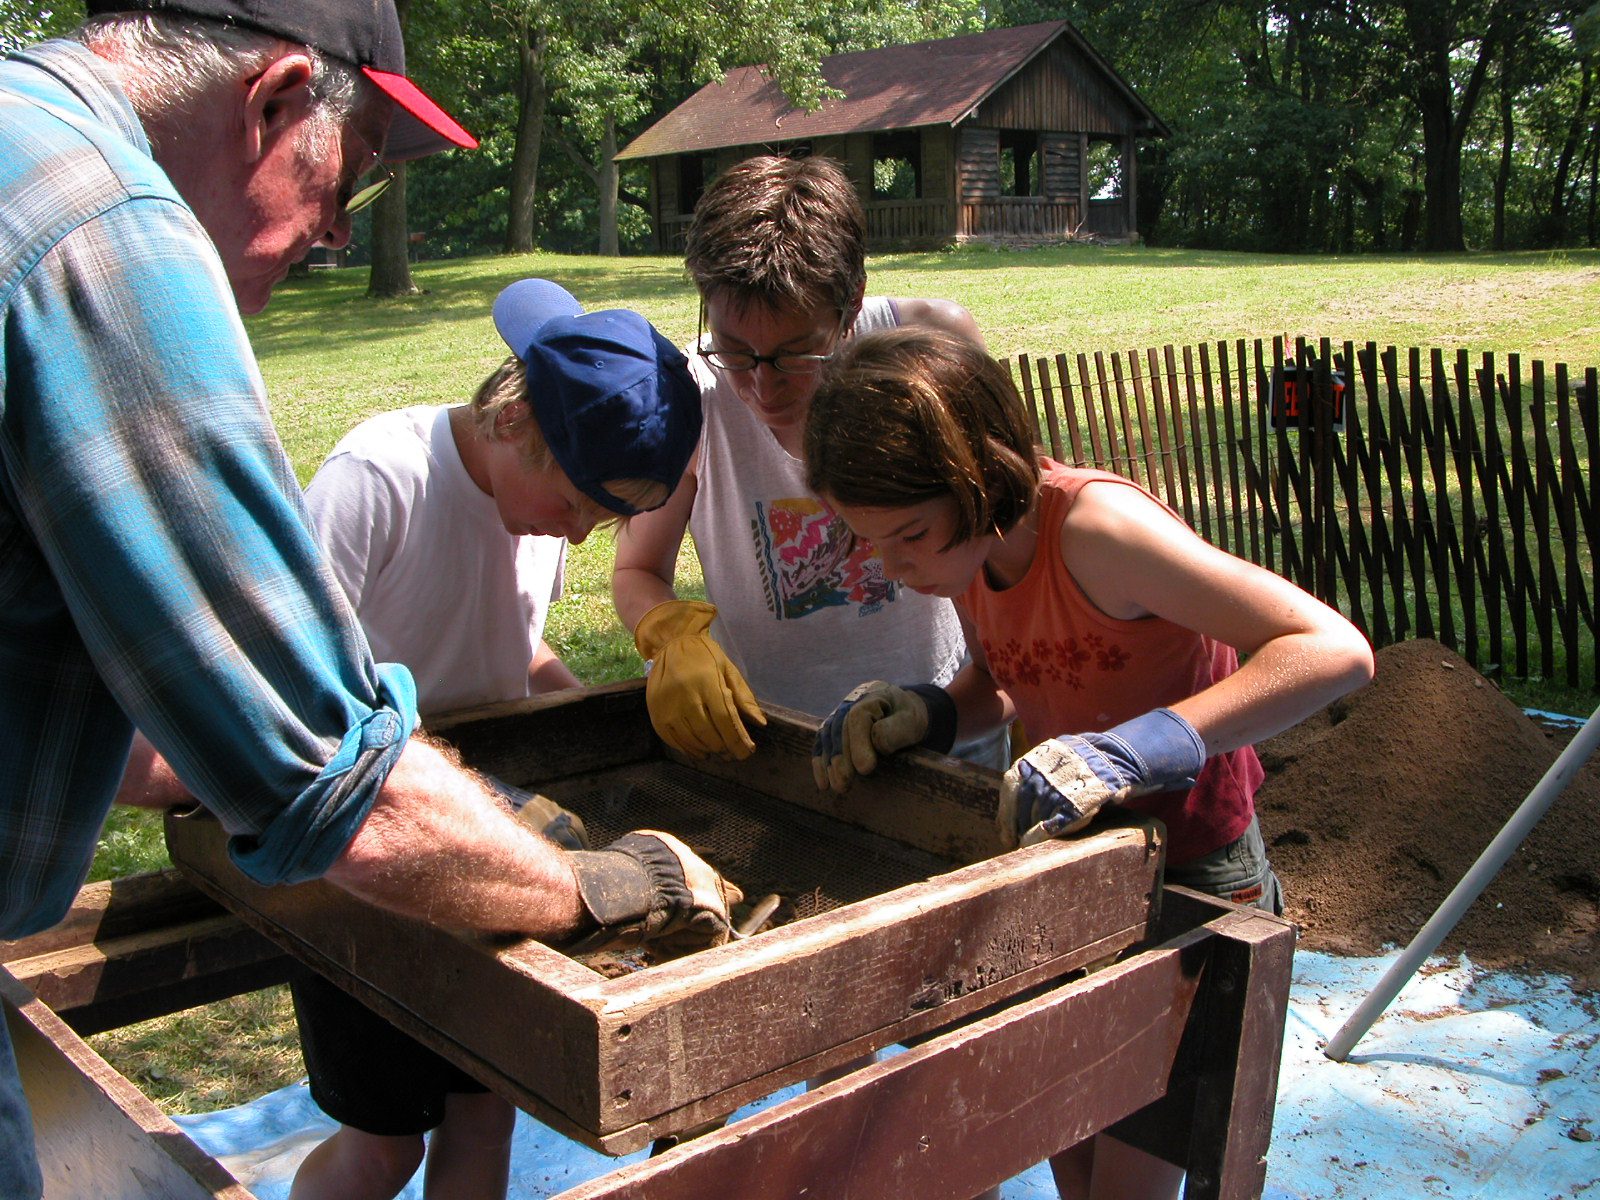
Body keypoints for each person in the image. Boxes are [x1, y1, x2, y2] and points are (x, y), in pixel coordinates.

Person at [0, 6, 735, 1195]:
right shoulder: (111, 232)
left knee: (483, 1121)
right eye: (357, 172)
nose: (340, 232)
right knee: (387, 1134)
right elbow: (322, 777)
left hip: (434, 848)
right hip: (386, 880)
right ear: (276, 100)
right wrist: (601, 885)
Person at [804, 327, 1375, 1200]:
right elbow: (1011, 679)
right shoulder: (971, 552)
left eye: (908, 534)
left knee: (1131, 1175)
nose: (893, 565)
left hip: (1192, 875)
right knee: (1065, 1141)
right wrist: (933, 712)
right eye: (871, 542)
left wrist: (1146, 744)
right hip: (1077, 868)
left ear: (975, 477)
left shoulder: (1101, 532)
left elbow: (1332, 651)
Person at [286, 276, 701, 1200]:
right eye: (578, 505)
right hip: (369, 856)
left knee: (488, 1108)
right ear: (516, 418)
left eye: (607, 517)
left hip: (488, 837)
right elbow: (286, 689)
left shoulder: (538, 506)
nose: (584, 535)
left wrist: (613, 711)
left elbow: (507, 647)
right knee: (384, 1146)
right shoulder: (378, 480)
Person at [611, 153, 1008, 771]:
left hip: (945, 733)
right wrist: (668, 636)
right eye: (735, 351)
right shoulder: (694, 397)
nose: (762, 389)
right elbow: (637, 567)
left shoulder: (933, 349)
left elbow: (1003, 538)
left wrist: (965, 700)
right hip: (776, 746)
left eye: (797, 353)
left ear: (852, 306)